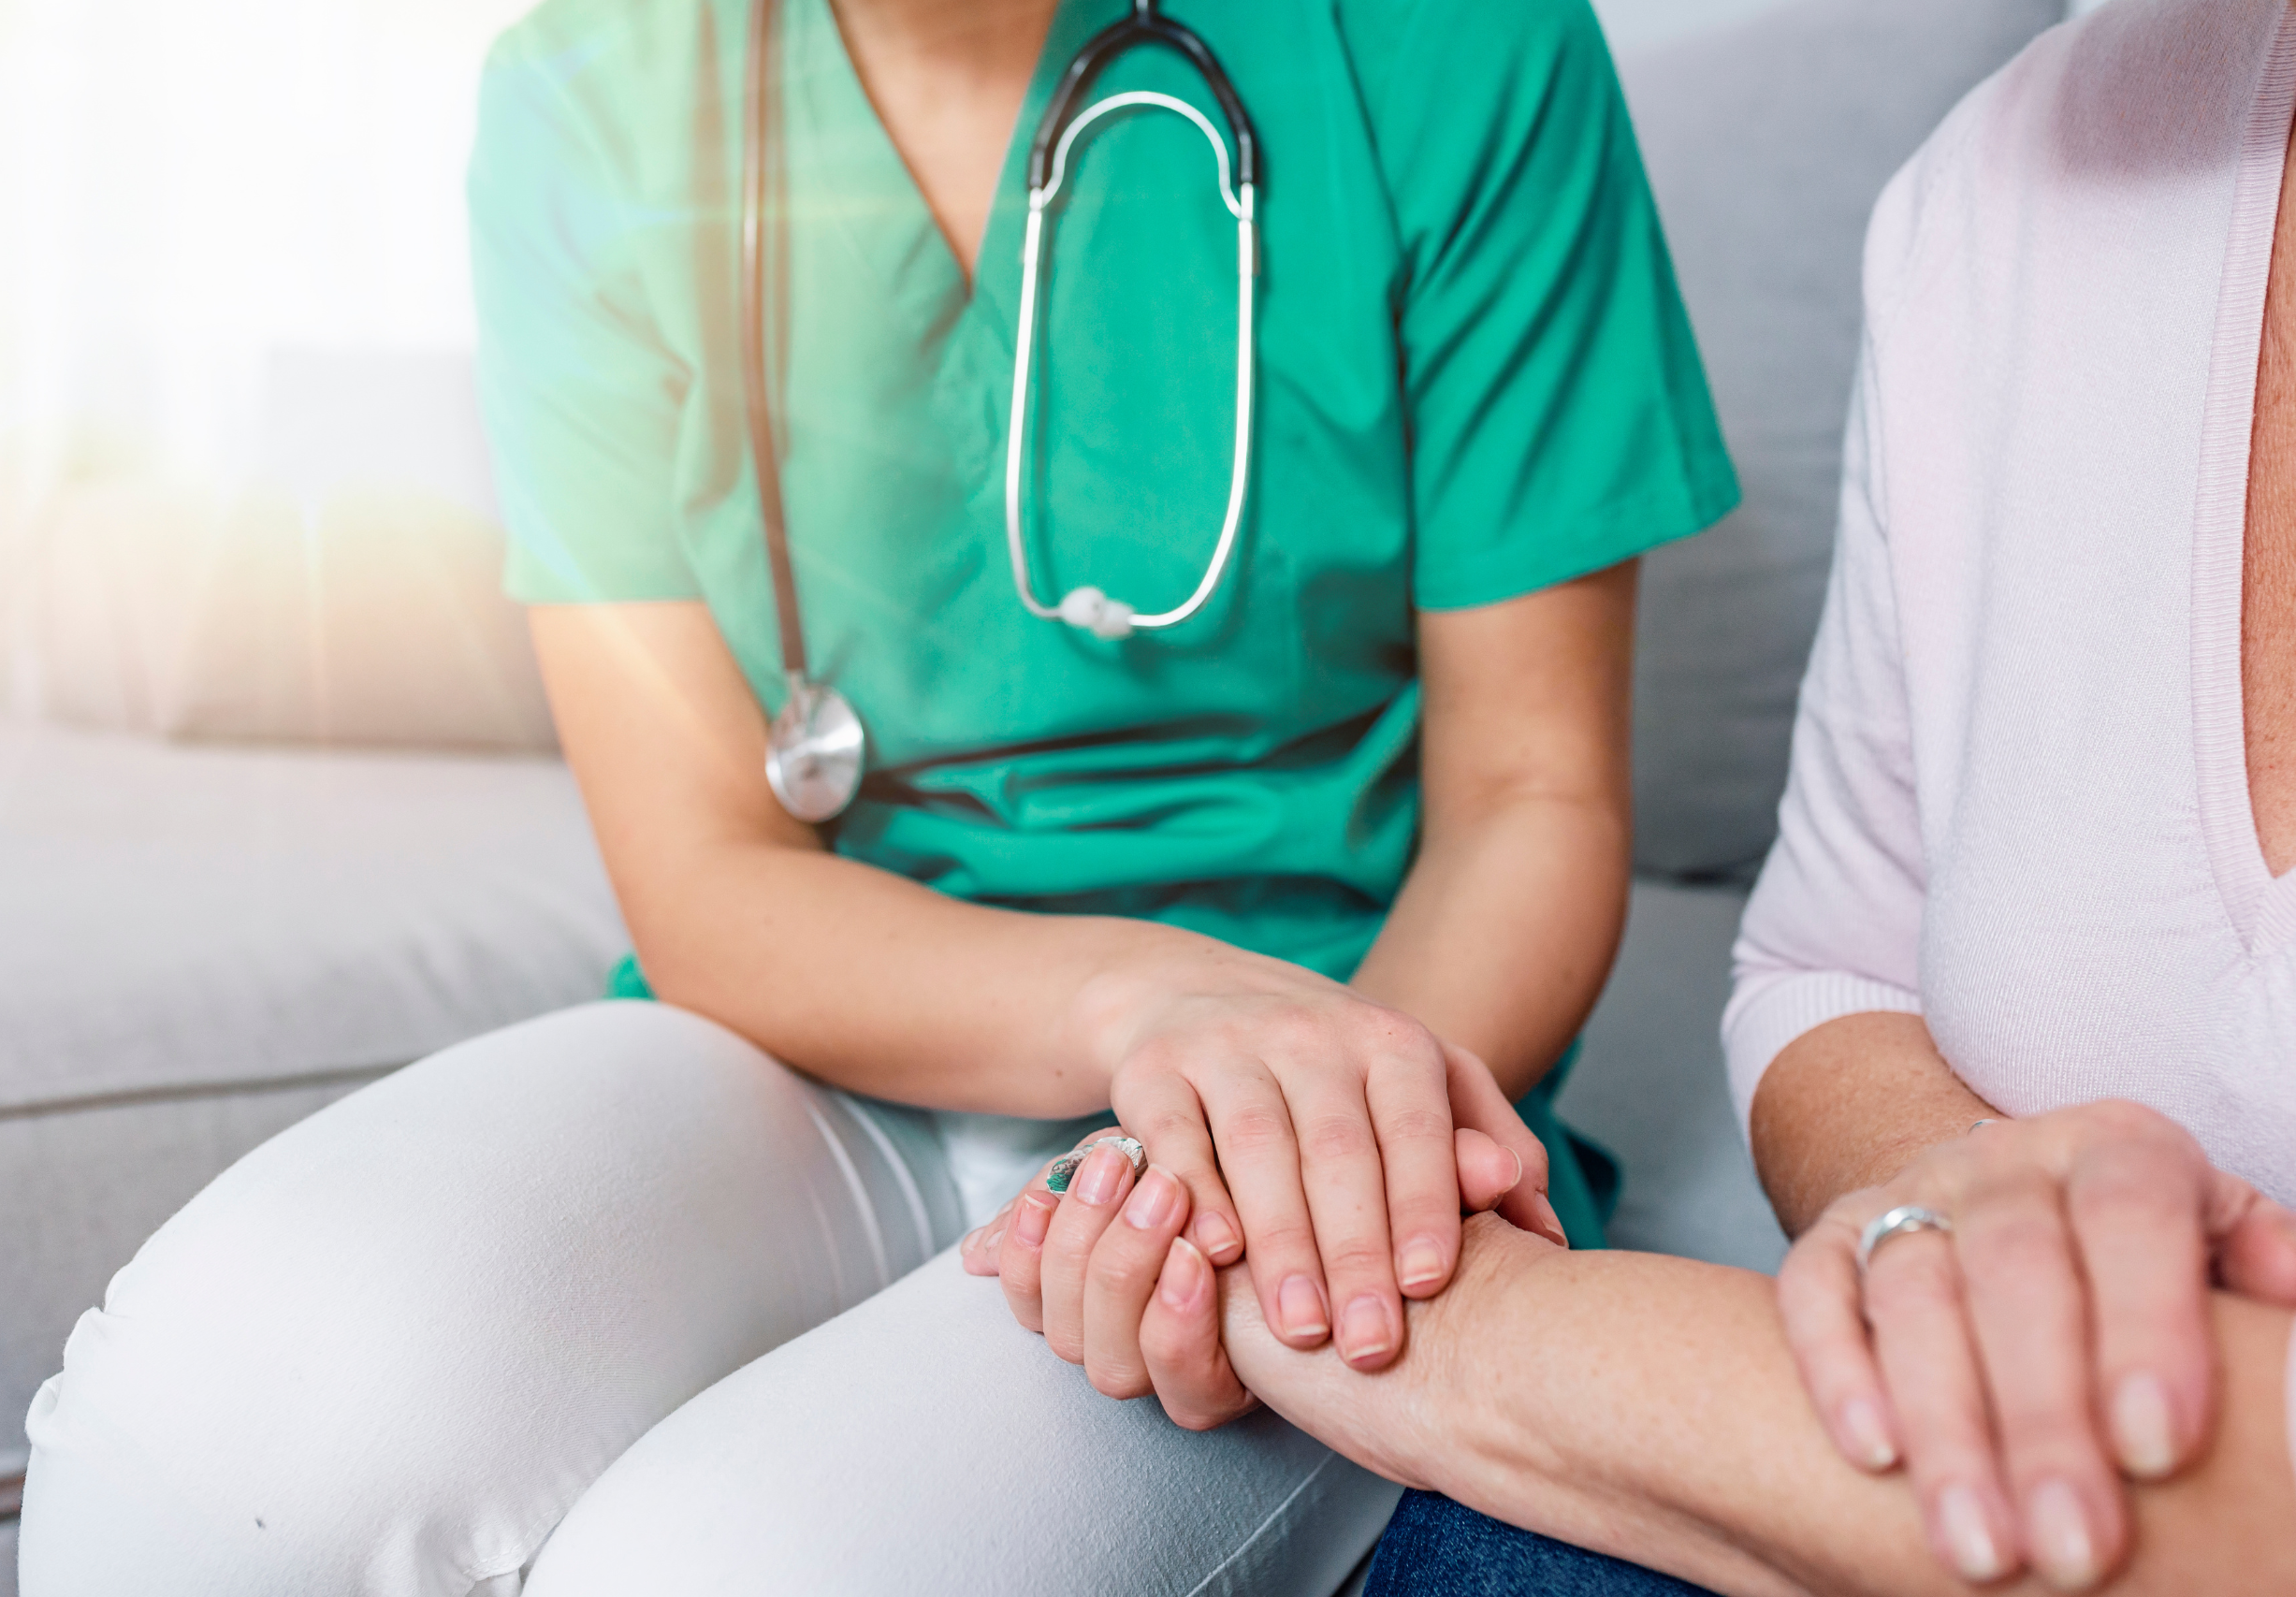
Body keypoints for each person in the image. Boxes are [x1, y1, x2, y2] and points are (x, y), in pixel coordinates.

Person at [10, 0, 1737, 1590]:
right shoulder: (591, 91)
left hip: (1324, 1084)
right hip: (821, 1040)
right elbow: (702, 867)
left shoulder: (1458, 46)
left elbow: (1533, 791)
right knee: (204, 1426)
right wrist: (1146, 997)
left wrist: (1311, 1139)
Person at [968, 0, 2296, 1590]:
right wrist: (1936, 1196)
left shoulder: (1468, 64)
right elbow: (1830, 968)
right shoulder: (2001, 181)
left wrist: (1404, 1297)